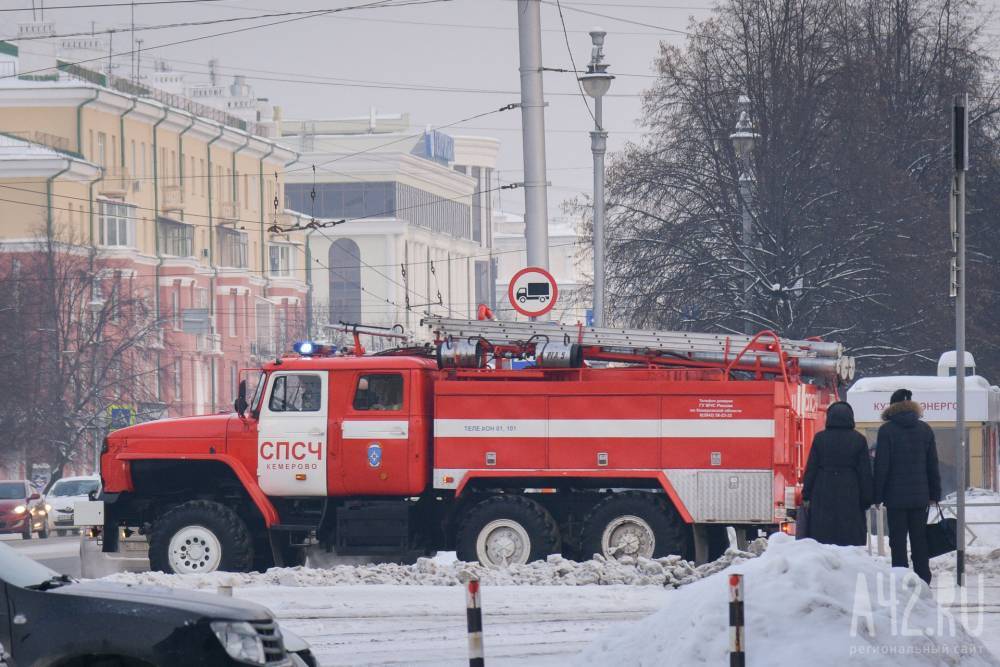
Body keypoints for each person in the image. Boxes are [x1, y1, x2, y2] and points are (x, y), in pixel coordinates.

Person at [874, 388, 941, 584]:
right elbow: (932, 464)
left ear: (892, 406)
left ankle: (901, 579)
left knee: (898, 541)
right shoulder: (925, 429)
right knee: (920, 540)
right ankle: (923, 579)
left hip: (895, 498)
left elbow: (881, 466)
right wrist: (935, 493)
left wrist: (877, 495)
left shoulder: (886, 431)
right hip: (920, 497)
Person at [802, 401, 874, 546]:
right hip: (850, 490)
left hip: (823, 488)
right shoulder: (859, 440)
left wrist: (806, 494)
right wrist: (867, 498)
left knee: (823, 536)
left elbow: (811, 468)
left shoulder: (820, 438)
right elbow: (865, 473)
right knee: (848, 536)